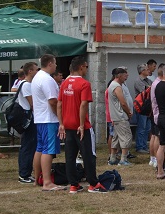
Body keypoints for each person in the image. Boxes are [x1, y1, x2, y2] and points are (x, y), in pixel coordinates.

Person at [57, 56, 108, 193]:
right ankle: (93, 183)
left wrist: (61, 123)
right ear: (81, 67)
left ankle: (73, 184)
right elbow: (83, 104)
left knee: (70, 156)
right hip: (81, 126)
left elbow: (59, 104)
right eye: (86, 67)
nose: (87, 69)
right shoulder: (84, 84)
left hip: (67, 124)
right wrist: (81, 124)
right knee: (88, 155)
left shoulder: (64, 83)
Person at [32, 55, 63, 191]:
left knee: (40, 148)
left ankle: (37, 178)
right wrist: (60, 117)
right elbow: (53, 101)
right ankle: (47, 182)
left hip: (40, 118)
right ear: (50, 63)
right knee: (48, 150)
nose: (56, 66)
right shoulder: (47, 79)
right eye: (55, 63)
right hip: (48, 118)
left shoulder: (37, 77)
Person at [17, 62, 38, 183]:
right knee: (28, 146)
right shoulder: (26, 85)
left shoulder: (24, 84)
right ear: (30, 71)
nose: (37, 72)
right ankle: (24, 174)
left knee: (29, 145)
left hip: (28, 117)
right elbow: (32, 103)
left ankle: (26, 172)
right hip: (29, 118)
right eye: (35, 70)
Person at [107, 68, 133, 167]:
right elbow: (123, 103)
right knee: (126, 136)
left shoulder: (112, 85)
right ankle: (123, 159)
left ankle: (113, 158)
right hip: (121, 116)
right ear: (118, 75)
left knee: (116, 137)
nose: (126, 77)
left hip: (115, 117)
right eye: (124, 75)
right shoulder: (116, 86)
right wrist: (129, 112)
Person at [133, 63, 152, 154]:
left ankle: (144, 146)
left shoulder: (148, 80)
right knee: (141, 127)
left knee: (147, 128)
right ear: (142, 71)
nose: (148, 71)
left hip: (148, 106)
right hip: (141, 107)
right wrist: (149, 88)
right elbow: (145, 92)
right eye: (146, 69)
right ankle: (139, 146)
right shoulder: (138, 81)